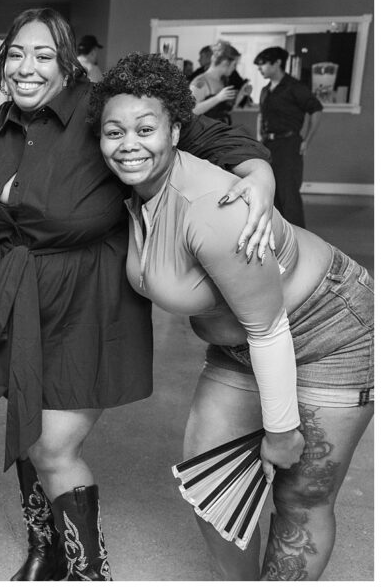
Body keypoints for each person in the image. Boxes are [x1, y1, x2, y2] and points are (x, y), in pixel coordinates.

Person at [0, 8, 277, 581]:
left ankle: (90, 572)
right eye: (15, 54)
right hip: (17, 298)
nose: (27, 67)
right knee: (31, 425)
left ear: (67, 62)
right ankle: (49, 549)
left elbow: (208, 135)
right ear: (1, 61)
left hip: (90, 298)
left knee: (55, 445)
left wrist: (259, 176)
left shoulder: (99, 108)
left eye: (43, 55)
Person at [93, 52, 373, 581]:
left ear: (177, 130)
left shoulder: (214, 209)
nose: (129, 143)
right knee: (212, 482)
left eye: (146, 128)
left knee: (301, 492)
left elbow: (269, 328)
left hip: (329, 327)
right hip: (241, 339)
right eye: (114, 132)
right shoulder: (133, 191)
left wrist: (283, 428)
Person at [254, 46, 323, 228]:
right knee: (270, 190)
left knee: (288, 192)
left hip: (289, 144)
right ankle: (278, 233)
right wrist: (259, 137)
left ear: (277, 63)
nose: (259, 69)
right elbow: (261, 114)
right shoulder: (265, 90)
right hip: (268, 144)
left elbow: (316, 110)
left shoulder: (295, 87)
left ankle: (299, 238)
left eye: (262, 65)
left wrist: (307, 140)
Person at [190, 40, 251, 125]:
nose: (234, 68)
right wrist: (217, 98)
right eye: (234, 65)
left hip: (222, 133)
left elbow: (226, 111)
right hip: (206, 135)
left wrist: (241, 94)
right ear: (225, 63)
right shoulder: (200, 82)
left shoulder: (223, 80)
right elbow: (191, 112)